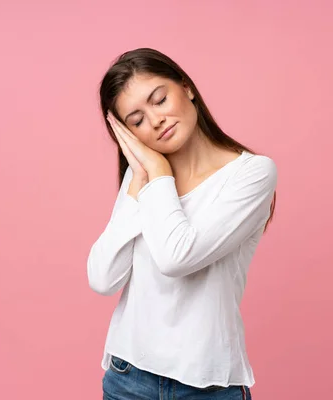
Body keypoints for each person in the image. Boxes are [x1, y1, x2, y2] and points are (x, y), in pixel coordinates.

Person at [87, 47, 277, 399]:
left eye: (159, 100)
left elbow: (177, 258)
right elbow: (102, 277)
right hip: (127, 378)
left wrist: (158, 173)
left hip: (209, 385)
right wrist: (142, 177)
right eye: (137, 121)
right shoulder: (141, 177)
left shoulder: (251, 174)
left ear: (186, 87)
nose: (155, 120)